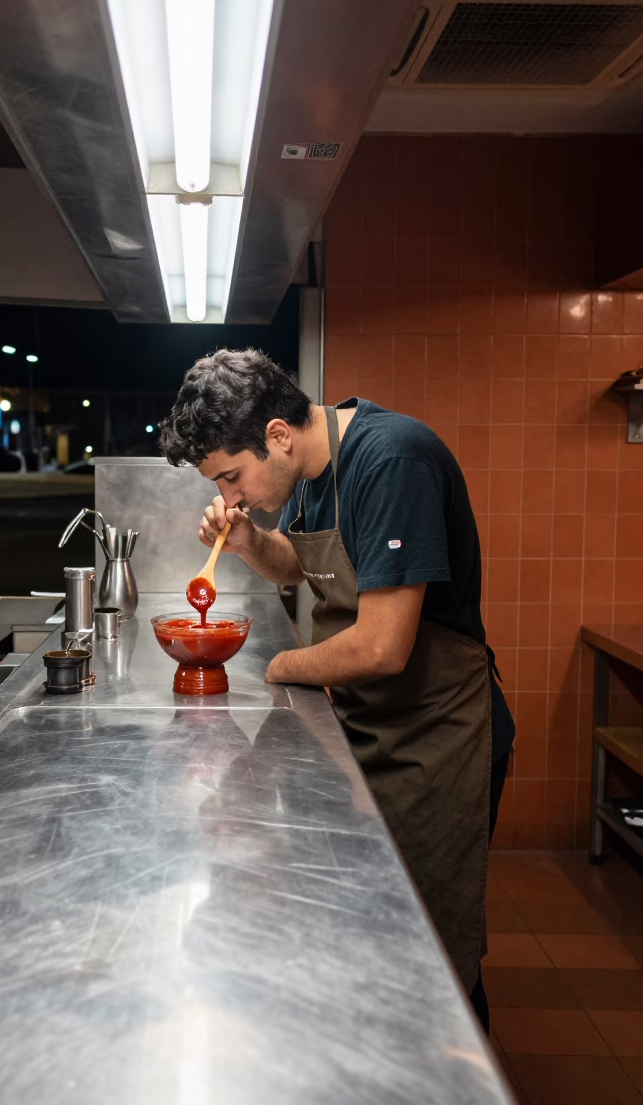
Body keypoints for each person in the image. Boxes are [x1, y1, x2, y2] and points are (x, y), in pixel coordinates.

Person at [158, 348, 515, 1034]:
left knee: (430, 951)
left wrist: (280, 669)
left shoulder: (391, 462)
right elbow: (304, 565)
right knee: (371, 928)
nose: (230, 496)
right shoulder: (313, 472)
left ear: (278, 436)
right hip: (370, 724)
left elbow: (383, 646)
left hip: (434, 740)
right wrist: (248, 544)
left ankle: (455, 1071)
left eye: (233, 478)